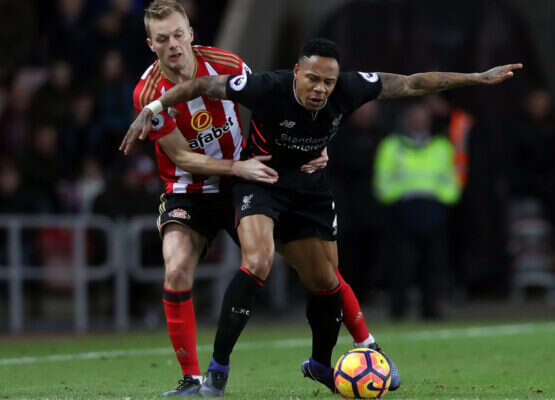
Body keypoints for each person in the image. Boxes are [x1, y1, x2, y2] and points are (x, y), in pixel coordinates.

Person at [124, 36, 521, 396]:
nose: (320, 89)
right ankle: (217, 372)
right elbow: (200, 86)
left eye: (327, 82)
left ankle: (322, 362)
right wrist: (154, 107)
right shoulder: (267, 87)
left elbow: (413, 83)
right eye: (312, 79)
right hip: (261, 180)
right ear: (297, 72)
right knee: (258, 260)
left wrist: (477, 78)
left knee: (326, 280)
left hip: (310, 190)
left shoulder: (349, 88)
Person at [122, 1, 397, 396]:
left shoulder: (227, 63)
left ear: (191, 33)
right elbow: (182, 157)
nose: (173, 45)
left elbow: (272, 102)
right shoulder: (148, 93)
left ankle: (369, 345)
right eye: (162, 39)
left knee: (318, 268)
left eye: (178, 35)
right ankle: (193, 379)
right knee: (177, 268)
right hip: (190, 191)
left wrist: (311, 141)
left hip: (249, 182)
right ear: (151, 44)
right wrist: (239, 168)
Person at [373, 101, 461, 319]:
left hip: (434, 210)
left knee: (434, 263)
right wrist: (399, 196)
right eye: (415, 117)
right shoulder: (392, 146)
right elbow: (382, 182)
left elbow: (453, 179)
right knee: (402, 264)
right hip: (403, 210)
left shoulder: (442, 146)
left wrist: (443, 199)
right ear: (406, 119)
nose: (419, 121)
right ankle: (398, 310)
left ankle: (431, 309)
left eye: (423, 117)